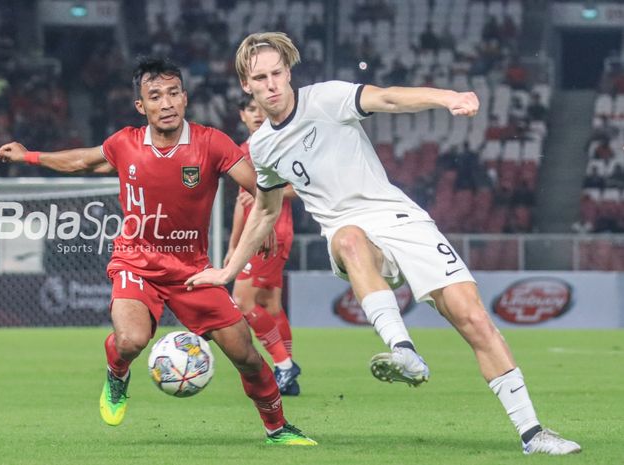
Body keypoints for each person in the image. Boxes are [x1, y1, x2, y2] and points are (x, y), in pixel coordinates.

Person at [185, 32, 581, 456]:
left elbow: (389, 99)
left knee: (474, 318)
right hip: (344, 231)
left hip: (400, 218)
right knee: (351, 239)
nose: (272, 85)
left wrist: (447, 97)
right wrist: (227, 272)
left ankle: (532, 433)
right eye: (260, 77)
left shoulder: (327, 99)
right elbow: (265, 210)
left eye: (277, 73)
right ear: (246, 84)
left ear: (289, 71)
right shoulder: (262, 147)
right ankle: (402, 349)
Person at [0, 56, 316, 446]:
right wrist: (29, 155)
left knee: (246, 354)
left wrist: (262, 221)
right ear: (141, 106)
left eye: (173, 93)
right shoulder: (125, 143)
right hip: (136, 259)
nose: (166, 103)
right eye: (155, 96)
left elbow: (257, 184)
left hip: (192, 269)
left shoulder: (211, 142)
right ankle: (117, 374)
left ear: (185, 98)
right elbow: (82, 161)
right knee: (131, 339)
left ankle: (277, 428)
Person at [228, 94, 301, 395]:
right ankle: (289, 376)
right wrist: (233, 245)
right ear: (242, 115)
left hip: (271, 232)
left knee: (243, 303)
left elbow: (300, 186)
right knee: (270, 305)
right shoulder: (243, 150)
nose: (257, 114)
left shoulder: (279, 143)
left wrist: (270, 194)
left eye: (261, 108)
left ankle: (283, 366)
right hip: (255, 233)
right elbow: (240, 202)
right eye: (250, 109)